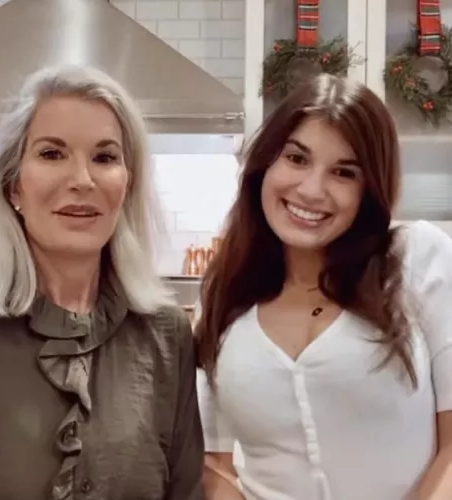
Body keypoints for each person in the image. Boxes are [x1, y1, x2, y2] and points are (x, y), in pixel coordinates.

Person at [0, 65, 205, 500]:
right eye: (51, 154)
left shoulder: (167, 334)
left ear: (127, 183)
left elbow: (186, 490)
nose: (82, 180)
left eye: (105, 157)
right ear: (13, 185)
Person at [194, 74, 452, 500]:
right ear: (266, 163)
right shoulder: (223, 293)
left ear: (369, 189)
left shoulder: (419, 260)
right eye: (296, 158)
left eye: (344, 173)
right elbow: (213, 462)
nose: (312, 190)